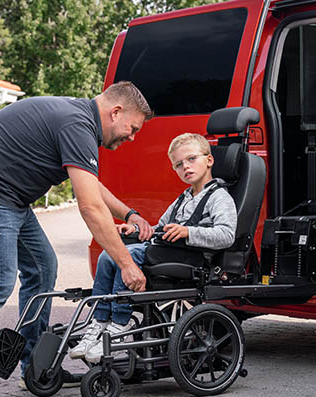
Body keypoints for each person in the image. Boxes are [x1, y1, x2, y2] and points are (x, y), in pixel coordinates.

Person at [0, 81, 155, 397]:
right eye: (132, 128)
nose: (131, 137)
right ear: (115, 112)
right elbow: (89, 207)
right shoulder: (78, 124)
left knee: (43, 268)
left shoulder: (78, 118)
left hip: (9, 196)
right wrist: (127, 264)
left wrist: (129, 212)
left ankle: (36, 369)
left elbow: (92, 184)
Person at [69, 132, 237, 363]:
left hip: (192, 258)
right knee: (110, 255)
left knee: (127, 255)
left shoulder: (220, 197)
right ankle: (99, 323)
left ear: (209, 160)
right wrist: (137, 231)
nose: (185, 167)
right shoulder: (183, 198)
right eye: (178, 165)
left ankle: (119, 324)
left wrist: (189, 232)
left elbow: (227, 235)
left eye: (191, 159)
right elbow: (160, 227)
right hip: (168, 251)